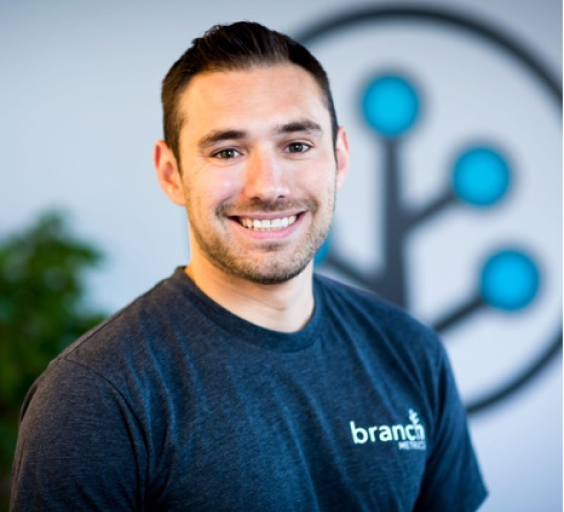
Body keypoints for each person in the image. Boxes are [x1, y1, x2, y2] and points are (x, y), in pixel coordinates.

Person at [10, 21, 487, 511]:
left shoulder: (411, 351)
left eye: (296, 146)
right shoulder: (96, 395)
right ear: (171, 173)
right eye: (228, 151)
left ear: (339, 157)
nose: (267, 186)